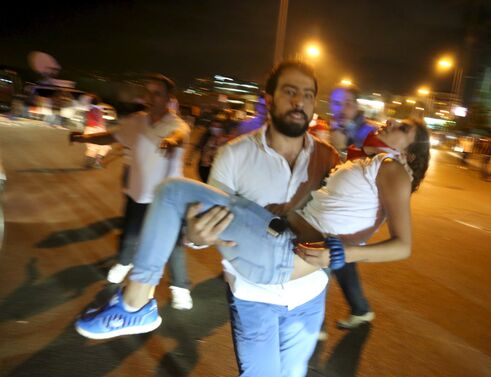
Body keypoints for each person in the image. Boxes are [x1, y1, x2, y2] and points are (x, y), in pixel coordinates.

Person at [75, 63, 429, 377]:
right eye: (290, 91)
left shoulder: (329, 157)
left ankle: (136, 302)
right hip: (254, 293)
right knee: (172, 194)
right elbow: (201, 228)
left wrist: (340, 252)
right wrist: (196, 234)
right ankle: (135, 303)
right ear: (269, 98)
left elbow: (359, 219)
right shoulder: (234, 154)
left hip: (307, 293)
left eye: (308, 95)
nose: (300, 101)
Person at [69, 74, 194, 310]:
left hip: (167, 199)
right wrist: (82, 136)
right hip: (138, 194)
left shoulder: (178, 126)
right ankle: (124, 264)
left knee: (174, 245)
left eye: (158, 93)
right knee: (129, 236)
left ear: (169, 98)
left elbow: (178, 137)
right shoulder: (136, 122)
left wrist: (170, 141)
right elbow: (112, 136)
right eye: (149, 92)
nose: (151, 98)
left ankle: (181, 288)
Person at [327, 85, 379, 329]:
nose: (341, 108)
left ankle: (312, 324)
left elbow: (365, 173)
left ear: (357, 106)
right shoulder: (335, 129)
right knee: (341, 259)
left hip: (355, 211)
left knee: (324, 257)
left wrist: (339, 148)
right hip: (338, 208)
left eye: (347, 103)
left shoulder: (368, 133)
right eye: (336, 103)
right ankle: (360, 309)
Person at [81, 94, 112, 169]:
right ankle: (96, 163)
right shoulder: (98, 109)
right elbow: (100, 121)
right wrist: (104, 130)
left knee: (92, 147)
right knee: (104, 146)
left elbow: (86, 120)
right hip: (96, 129)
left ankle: (88, 164)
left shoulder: (88, 109)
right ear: (99, 102)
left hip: (88, 129)